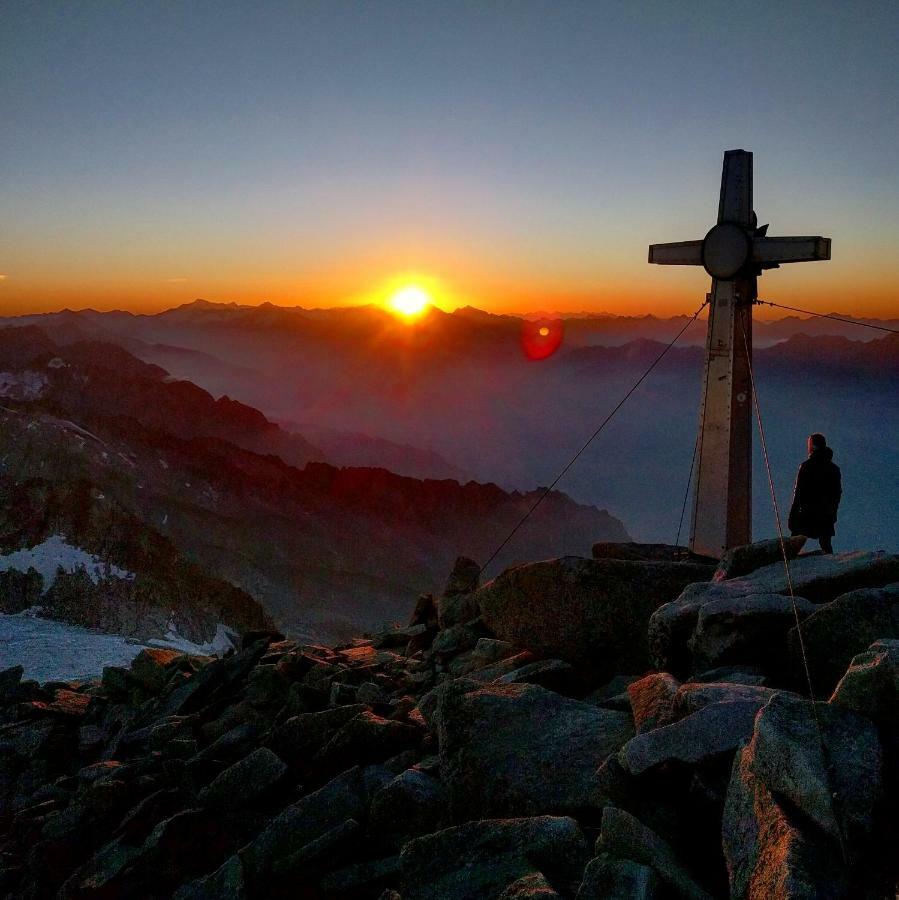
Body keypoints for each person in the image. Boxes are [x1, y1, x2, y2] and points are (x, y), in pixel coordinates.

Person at [788, 433, 842, 554]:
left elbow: (799, 493)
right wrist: (832, 513)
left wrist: (793, 515)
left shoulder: (806, 466)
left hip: (808, 512)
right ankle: (831, 564)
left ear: (812, 446)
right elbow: (837, 495)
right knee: (826, 543)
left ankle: (788, 562)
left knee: (794, 541)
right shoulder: (833, 469)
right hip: (825, 514)